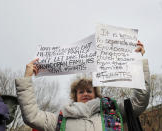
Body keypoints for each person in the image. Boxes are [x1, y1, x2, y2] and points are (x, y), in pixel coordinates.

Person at [15, 41, 150, 131]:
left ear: (96, 94)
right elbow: (31, 116)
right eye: (81, 92)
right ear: (75, 96)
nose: (85, 93)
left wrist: (138, 63)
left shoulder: (113, 112)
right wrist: (27, 78)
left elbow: (139, 103)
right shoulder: (60, 119)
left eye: (89, 91)